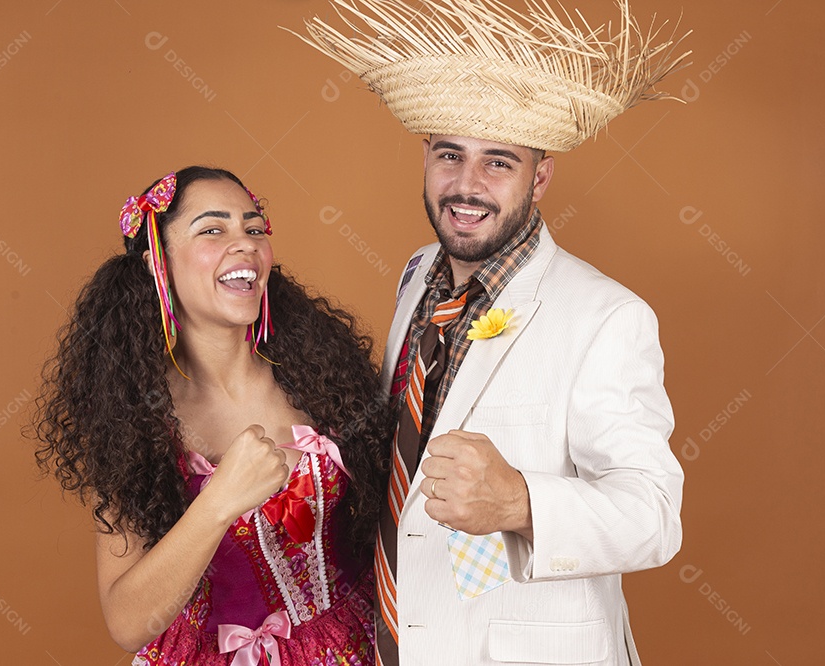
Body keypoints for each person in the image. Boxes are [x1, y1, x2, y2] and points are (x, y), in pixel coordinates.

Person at [294, 1, 689, 663]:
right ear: (425, 156)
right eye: (451, 155)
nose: (466, 186)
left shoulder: (606, 318)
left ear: (540, 178)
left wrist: (519, 501)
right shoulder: (419, 275)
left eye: (498, 163)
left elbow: (654, 516)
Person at [33, 166, 391, 665]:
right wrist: (218, 501)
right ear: (160, 262)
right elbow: (127, 623)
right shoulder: (133, 418)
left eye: (254, 228)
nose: (244, 244)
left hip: (354, 645)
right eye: (212, 229)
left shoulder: (325, 377)